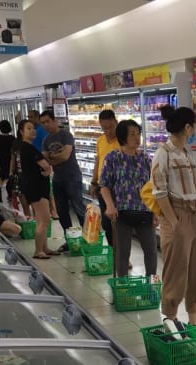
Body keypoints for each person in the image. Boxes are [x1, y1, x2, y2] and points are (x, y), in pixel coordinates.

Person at [151, 105, 196, 327]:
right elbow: (159, 191)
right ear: (187, 127)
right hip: (176, 214)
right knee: (176, 271)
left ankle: (194, 323)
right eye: (194, 126)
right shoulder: (163, 153)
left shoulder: (187, 153)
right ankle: (171, 321)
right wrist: (174, 222)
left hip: (195, 215)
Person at [100, 119, 157, 277]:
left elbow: (153, 187)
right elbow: (104, 185)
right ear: (123, 136)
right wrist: (109, 206)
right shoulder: (113, 157)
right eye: (132, 134)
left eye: (138, 134)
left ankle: (150, 286)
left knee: (151, 251)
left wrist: (156, 212)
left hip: (145, 211)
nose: (137, 137)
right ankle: (123, 286)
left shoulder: (146, 159)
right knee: (123, 252)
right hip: (121, 211)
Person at [40, 109, 85, 248]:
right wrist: (54, 159)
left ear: (55, 120)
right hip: (58, 179)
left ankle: (88, 238)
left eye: (48, 121)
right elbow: (46, 159)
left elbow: (65, 156)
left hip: (72, 177)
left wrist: (52, 158)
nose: (46, 125)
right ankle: (70, 240)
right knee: (62, 211)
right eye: (43, 123)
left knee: (79, 209)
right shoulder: (46, 140)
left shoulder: (66, 135)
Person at [15, 119, 56, 259]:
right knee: (44, 220)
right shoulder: (28, 148)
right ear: (22, 132)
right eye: (28, 128)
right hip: (36, 188)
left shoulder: (22, 148)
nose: (32, 131)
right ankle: (38, 250)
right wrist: (47, 170)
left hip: (32, 187)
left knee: (42, 219)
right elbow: (45, 165)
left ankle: (44, 247)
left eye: (33, 128)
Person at [91, 109, 120, 247]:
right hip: (103, 187)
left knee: (120, 224)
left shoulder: (122, 140)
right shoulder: (100, 140)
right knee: (106, 223)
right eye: (104, 128)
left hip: (119, 188)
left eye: (110, 127)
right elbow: (98, 161)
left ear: (116, 122)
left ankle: (123, 256)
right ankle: (113, 251)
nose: (108, 131)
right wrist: (93, 181)